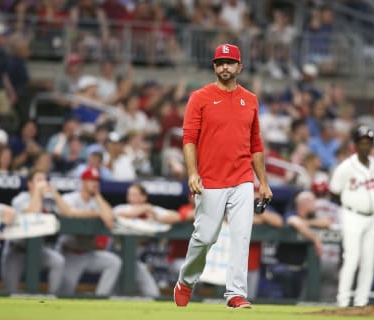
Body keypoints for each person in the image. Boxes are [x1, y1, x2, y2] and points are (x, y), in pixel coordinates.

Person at [173, 43, 273, 309]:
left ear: (240, 67)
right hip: (210, 179)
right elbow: (189, 138)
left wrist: (262, 182)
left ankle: (235, 294)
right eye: (219, 62)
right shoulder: (200, 97)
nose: (224, 66)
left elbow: (256, 144)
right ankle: (186, 280)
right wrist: (192, 172)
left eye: (229, 62)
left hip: (242, 178)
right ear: (214, 66)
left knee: (241, 235)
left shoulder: (250, 99)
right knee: (205, 236)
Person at [329, 125, 374, 307]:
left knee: (368, 261)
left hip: (372, 217)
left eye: (368, 143)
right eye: (361, 142)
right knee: (351, 259)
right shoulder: (346, 167)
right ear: (355, 144)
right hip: (352, 215)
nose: (365, 146)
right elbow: (334, 192)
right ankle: (343, 302)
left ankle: (361, 302)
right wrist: (349, 203)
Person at [2, 168, 70, 294]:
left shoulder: (48, 200)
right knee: (10, 293)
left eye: (44, 180)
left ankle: (52, 297)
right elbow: (33, 212)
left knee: (57, 261)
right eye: (39, 180)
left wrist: (55, 193)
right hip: (16, 250)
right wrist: (38, 193)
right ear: (30, 183)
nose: (43, 183)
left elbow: (68, 212)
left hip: (38, 251)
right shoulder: (20, 198)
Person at [57, 166, 122, 296]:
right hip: (71, 253)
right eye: (91, 180)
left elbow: (111, 217)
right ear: (83, 182)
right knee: (65, 294)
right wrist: (97, 214)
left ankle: (100, 298)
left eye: (97, 181)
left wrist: (97, 196)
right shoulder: (70, 198)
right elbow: (71, 213)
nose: (95, 183)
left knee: (114, 263)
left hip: (90, 253)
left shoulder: (96, 200)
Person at [113, 183, 180, 297]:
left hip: (144, 258)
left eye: (134, 194)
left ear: (143, 197)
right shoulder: (123, 207)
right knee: (113, 293)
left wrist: (157, 217)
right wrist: (145, 208)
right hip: (121, 255)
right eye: (129, 194)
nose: (130, 197)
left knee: (152, 293)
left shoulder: (152, 210)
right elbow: (120, 214)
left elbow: (176, 216)